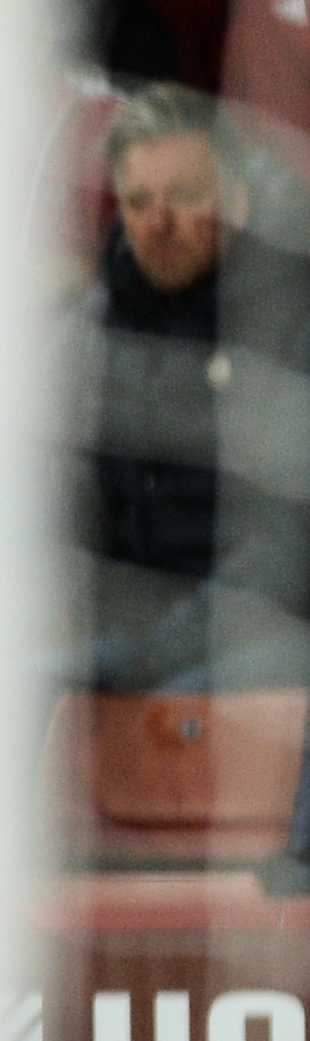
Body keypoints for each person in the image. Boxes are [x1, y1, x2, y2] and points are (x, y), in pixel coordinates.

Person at [74, 86, 310, 692]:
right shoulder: (96, 329)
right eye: (139, 201)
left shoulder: (289, 325)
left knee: (176, 719)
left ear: (236, 199)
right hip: (131, 627)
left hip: (266, 632)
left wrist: (159, 649)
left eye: (185, 196)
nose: (162, 223)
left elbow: (283, 545)